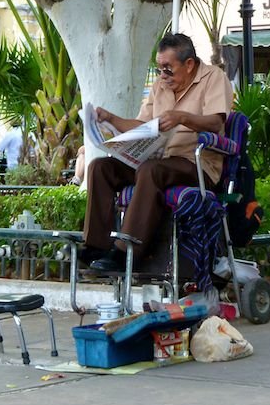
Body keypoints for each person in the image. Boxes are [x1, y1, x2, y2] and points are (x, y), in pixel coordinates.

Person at [82, 33, 233, 272]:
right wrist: (111, 119)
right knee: (101, 167)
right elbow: (142, 125)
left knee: (151, 170)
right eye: (159, 69)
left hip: (195, 164)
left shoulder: (213, 77)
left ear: (189, 64)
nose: (163, 75)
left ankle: (125, 253)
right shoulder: (160, 86)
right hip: (157, 160)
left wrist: (182, 117)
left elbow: (216, 122)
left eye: (168, 69)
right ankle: (95, 247)